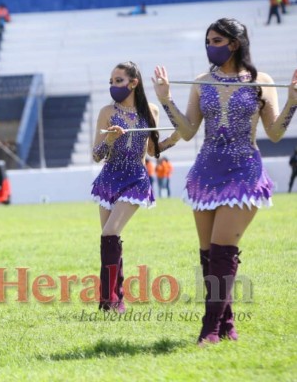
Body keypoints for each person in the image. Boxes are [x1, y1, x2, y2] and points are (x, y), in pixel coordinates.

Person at [153, 18, 297, 345]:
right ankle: (227, 324)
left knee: (222, 250)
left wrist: (292, 102)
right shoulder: (202, 82)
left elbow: (274, 133)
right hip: (206, 173)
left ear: (234, 43)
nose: (210, 46)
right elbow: (188, 131)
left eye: (216, 40)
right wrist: (165, 99)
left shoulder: (261, 81)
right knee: (208, 256)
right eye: (208, 40)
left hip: (244, 172)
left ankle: (209, 330)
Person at [91, 61, 180, 313]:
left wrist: (173, 139)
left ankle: (109, 303)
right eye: (110, 82)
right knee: (111, 238)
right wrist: (109, 139)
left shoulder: (149, 110)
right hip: (108, 180)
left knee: (110, 233)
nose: (113, 86)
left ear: (133, 83)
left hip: (135, 180)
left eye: (118, 81)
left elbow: (152, 151)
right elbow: (96, 156)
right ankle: (114, 299)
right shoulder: (107, 112)